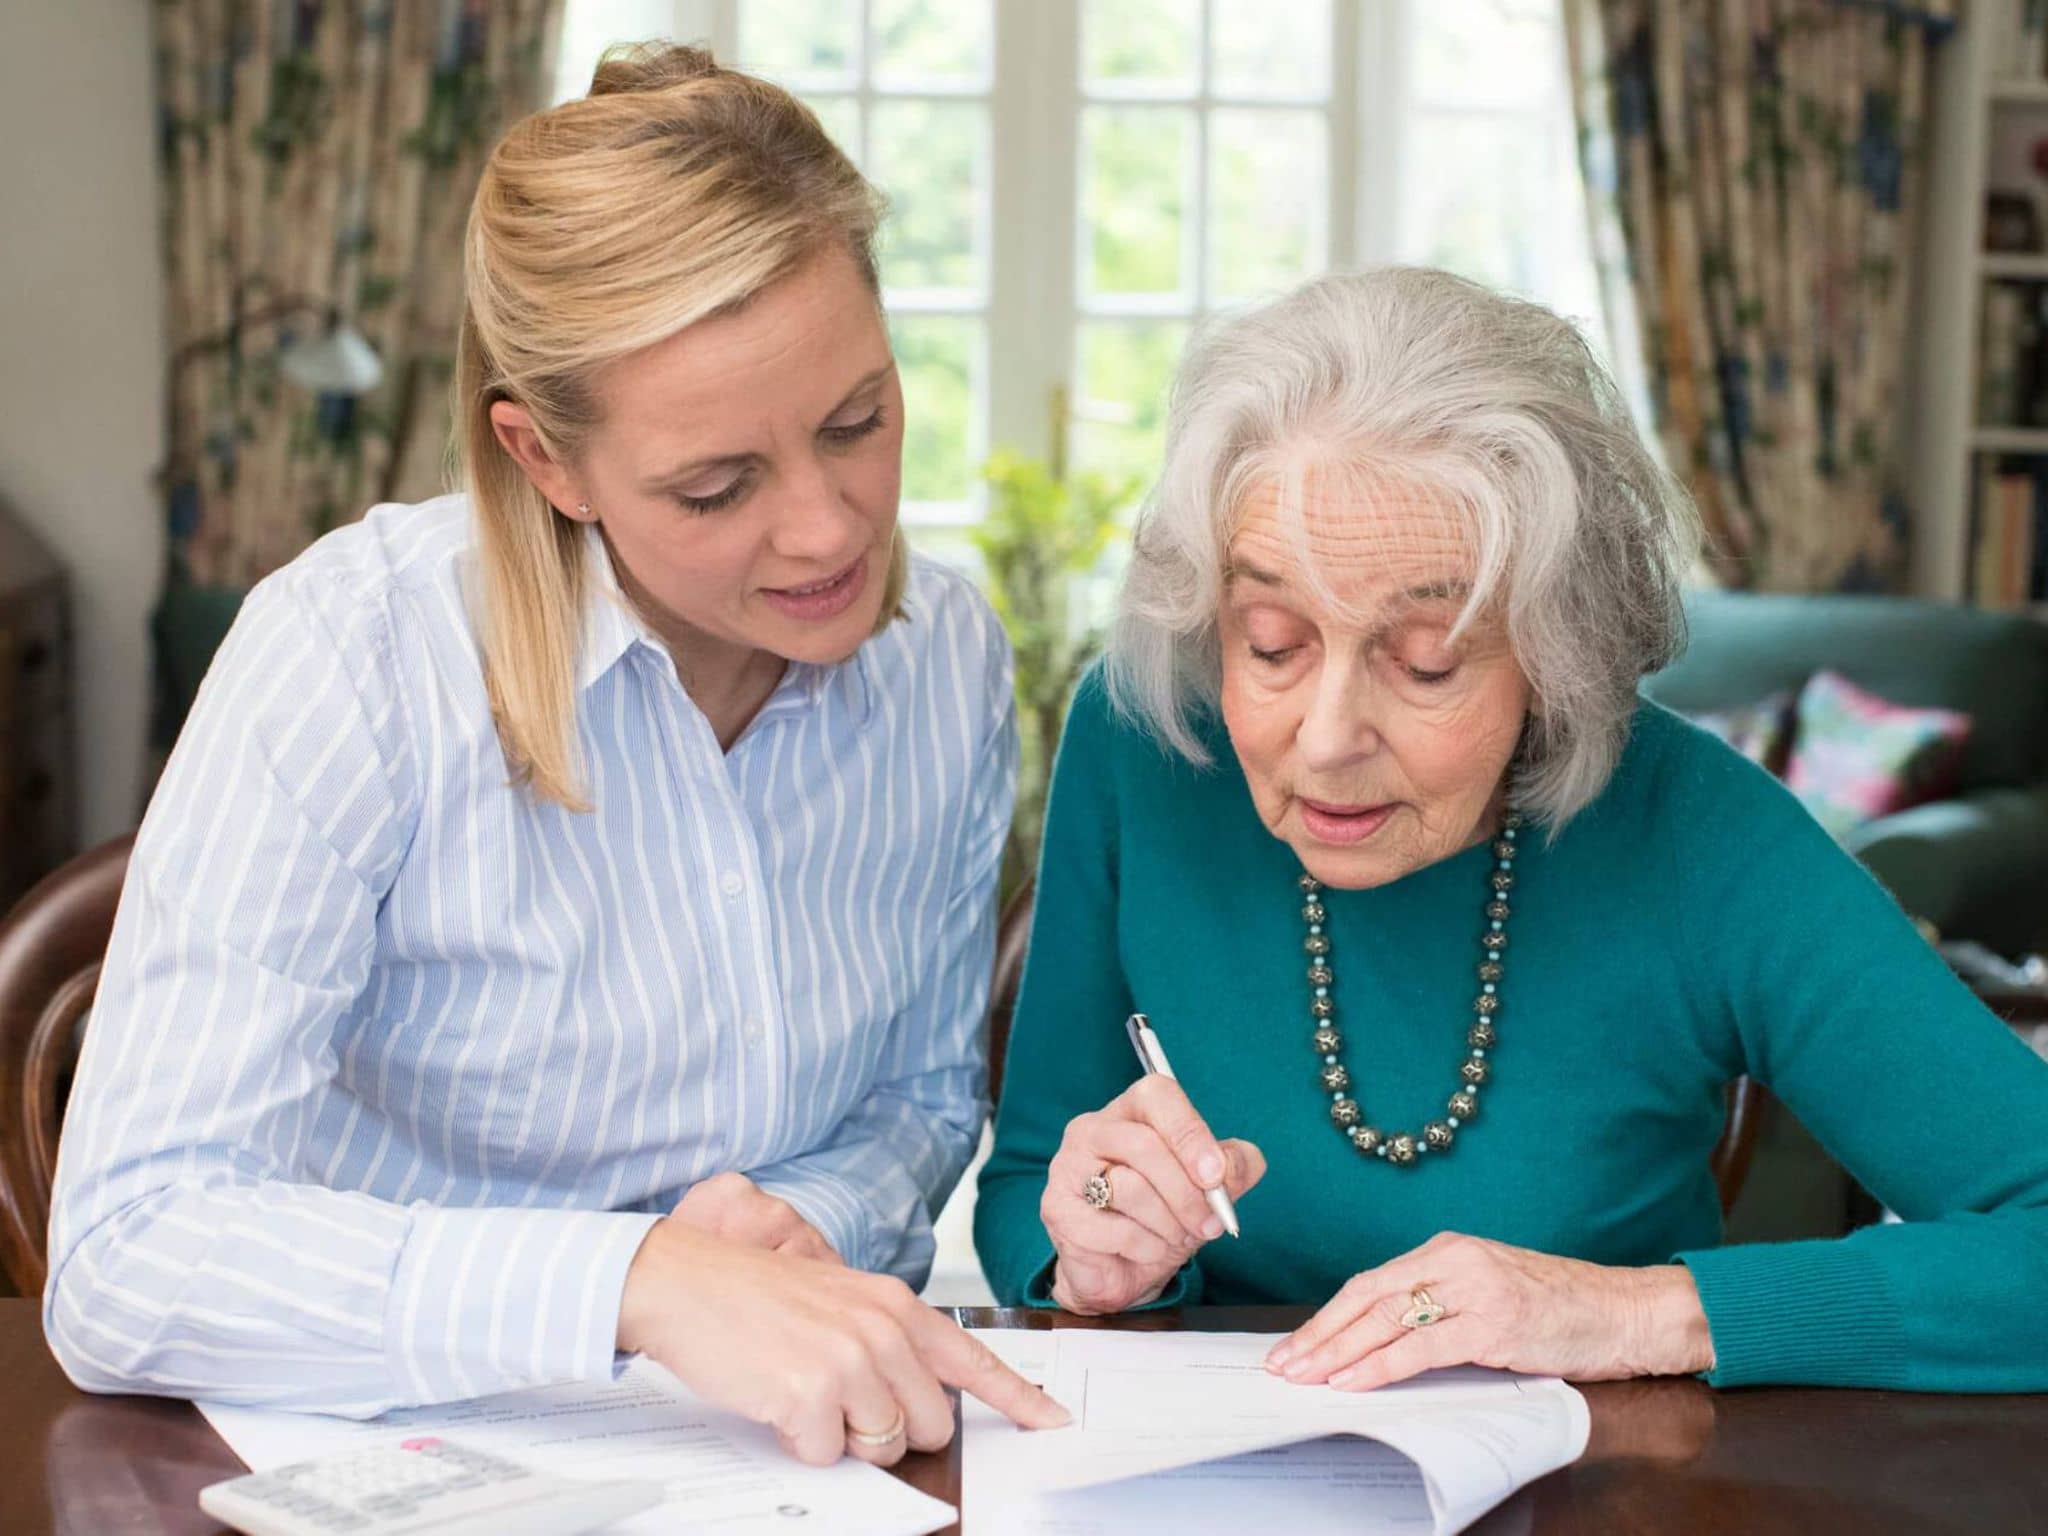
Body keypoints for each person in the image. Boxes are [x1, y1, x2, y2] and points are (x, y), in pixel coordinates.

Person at [46, 44, 1067, 1464]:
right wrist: (637, 1282)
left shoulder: (945, 661)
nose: (832, 529)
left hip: (776, 1460)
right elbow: (128, 1251)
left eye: (859, 422)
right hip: (378, 1453)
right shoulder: (355, 657)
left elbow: (917, 1102)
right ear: (545, 460)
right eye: (717, 486)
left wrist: (801, 1233)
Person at [976, 266, 2048, 1393]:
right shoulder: (1146, 738)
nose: (1327, 737)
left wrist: (1640, 1314)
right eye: (1272, 641)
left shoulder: (1697, 833)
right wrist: (1095, 1258)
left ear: (1557, 655)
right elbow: (1034, 1182)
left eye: (1426, 660)